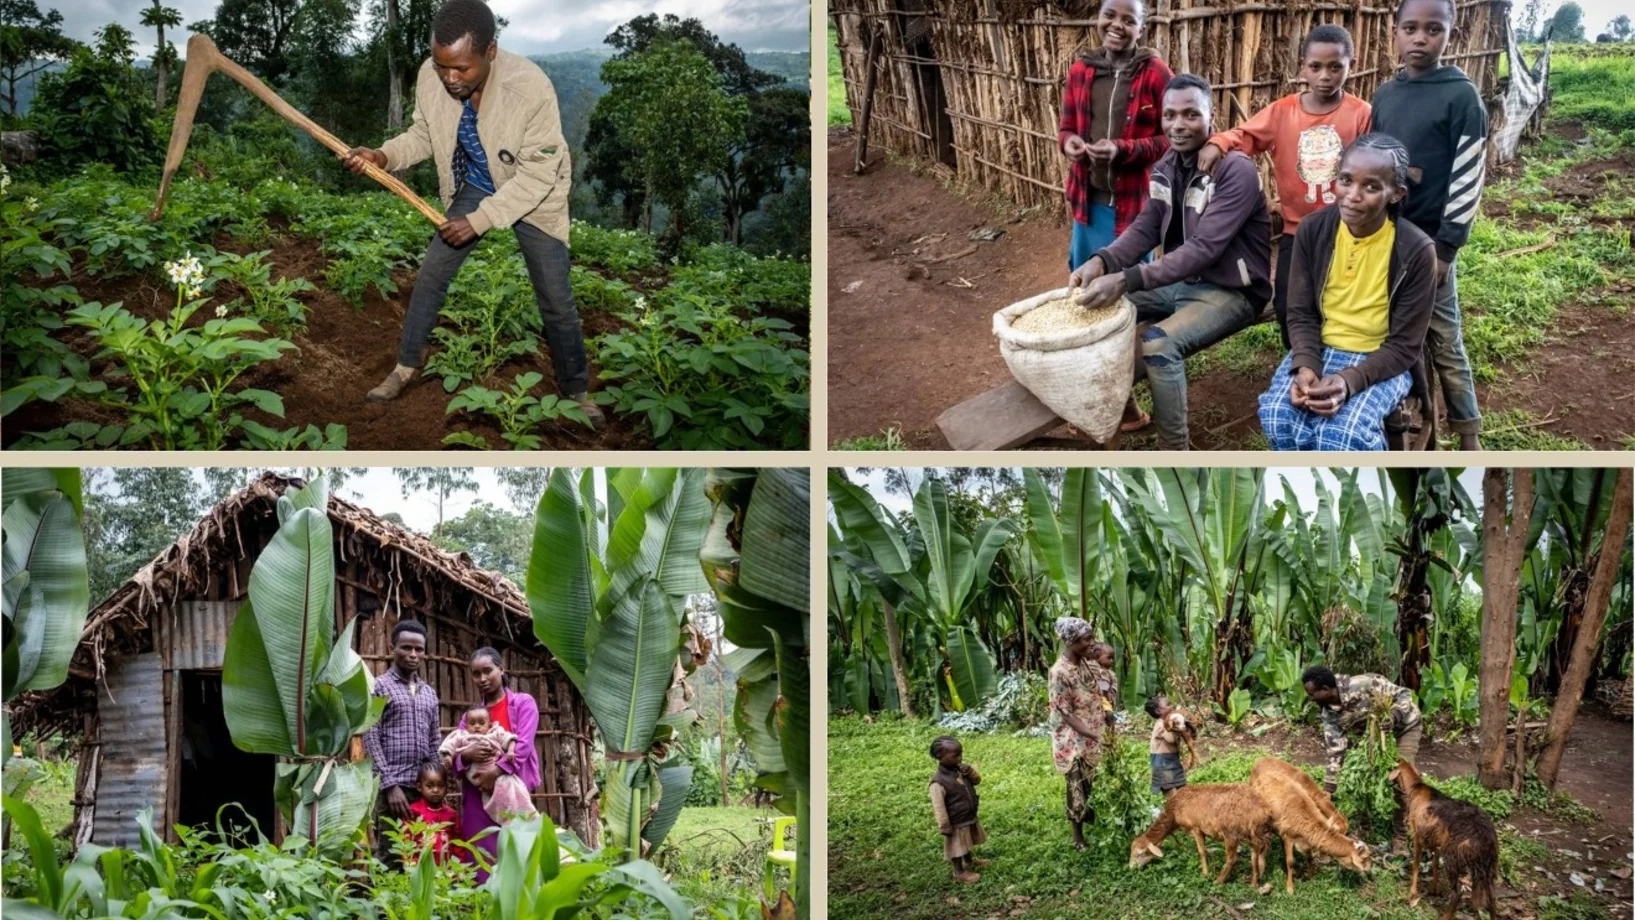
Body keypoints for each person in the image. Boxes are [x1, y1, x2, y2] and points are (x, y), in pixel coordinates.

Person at [341, 0, 600, 426]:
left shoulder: (530, 88)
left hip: (532, 192)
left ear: (491, 52)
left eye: (461, 68)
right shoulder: (431, 76)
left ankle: (576, 389)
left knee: (555, 298)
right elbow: (423, 134)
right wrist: (384, 156)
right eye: (442, 66)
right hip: (478, 182)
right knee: (431, 275)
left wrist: (479, 221)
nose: (450, 78)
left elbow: (538, 174)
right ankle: (406, 366)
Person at [1069, 74, 1272, 450]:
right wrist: (1102, 261)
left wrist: (1128, 278)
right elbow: (1147, 225)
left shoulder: (1235, 171)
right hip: (1183, 280)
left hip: (1232, 289)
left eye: (1191, 115)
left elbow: (1203, 248)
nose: (1178, 125)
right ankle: (1125, 413)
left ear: (1212, 117)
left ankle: (1174, 450)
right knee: (1093, 309)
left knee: (1159, 344)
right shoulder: (1166, 163)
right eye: (1170, 115)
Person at [1258, 134, 1437, 450]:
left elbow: (1405, 346)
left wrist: (1348, 381)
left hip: (1379, 358)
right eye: (1345, 180)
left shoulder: (1415, 251)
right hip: (1322, 347)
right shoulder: (1313, 230)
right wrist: (1306, 365)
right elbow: (1300, 313)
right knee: (1276, 416)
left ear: (1395, 194)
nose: (1352, 195)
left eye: (1371, 187)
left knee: (1341, 438)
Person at [1200, 24, 1373, 345]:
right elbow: (1245, 136)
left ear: (1353, 64)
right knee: (1287, 303)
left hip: (1348, 230)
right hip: (1298, 230)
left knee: (1340, 300)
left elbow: (1373, 169)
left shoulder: (1360, 114)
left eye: (1336, 67)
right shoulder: (1283, 112)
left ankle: (1337, 360)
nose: (1325, 76)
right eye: (1316, 67)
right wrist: (1218, 143)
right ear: (1302, 67)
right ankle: (1299, 362)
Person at [1369, 0, 1488, 449]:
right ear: (1394, 31)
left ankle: (1468, 430)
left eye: (1433, 30)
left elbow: (1468, 176)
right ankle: (1402, 420)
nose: (1421, 38)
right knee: (1390, 329)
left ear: (1450, 34)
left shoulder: (1461, 96)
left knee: (1442, 334)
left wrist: (1447, 247)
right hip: (1387, 236)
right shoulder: (1386, 95)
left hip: (1430, 244)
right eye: (1411, 28)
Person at [1301, 665, 1423, 850]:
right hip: (1371, 737)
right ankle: (1363, 827)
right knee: (1360, 778)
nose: (1310, 700)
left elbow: (1404, 694)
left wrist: (1393, 716)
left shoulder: (1364, 684)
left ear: (1325, 690)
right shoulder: (1329, 713)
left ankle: (1401, 838)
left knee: (1401, 779)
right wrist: (1328, 789)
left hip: (1404, 727)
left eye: (1312, 695)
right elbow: (1336, 750)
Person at [451, 647, 542, 879]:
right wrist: (466, 755)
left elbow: (523, 745)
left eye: (487, 671)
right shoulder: (470, 717)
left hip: (512, 794)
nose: (482, 679)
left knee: (520, 859)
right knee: (482, 863)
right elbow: (455, 755)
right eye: (476, 674)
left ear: (502, 670)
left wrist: (497, 770)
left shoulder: (523, 703)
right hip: (477, 798)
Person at [362, 619, 442, 869]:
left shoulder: (429, 693)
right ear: (392, 647)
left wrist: (436, 787)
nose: (413, 654)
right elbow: (371, 737)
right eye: (406, 647)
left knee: (424, 853)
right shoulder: (379, 687)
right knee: (391, 855)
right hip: (393, 791)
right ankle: (385, 910)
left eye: (419, 649)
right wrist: (389, 786)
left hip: (423, 791)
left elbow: (434, 741)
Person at [1047, 617, 1112, 851]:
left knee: (1094, 781)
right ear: (1072, 641)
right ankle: (1078, 837)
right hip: (1073, 739)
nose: (1092, 643)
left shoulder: (1087, 663)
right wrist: (1095, 736)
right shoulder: (1059, 672)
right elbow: (1066, 714)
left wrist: (1107, 717)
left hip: (1094, 730)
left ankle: (1095, 821)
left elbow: (1103, 687)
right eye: (1087, 639)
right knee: (1077, 786)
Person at [440, 704, 540, 824]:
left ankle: (530, 820)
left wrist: (510, 751)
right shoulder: (462, 736)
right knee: (495, 799)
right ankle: (512, 820)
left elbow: (510, 739)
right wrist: (450, 757)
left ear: (490, 724)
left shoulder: (495, 732)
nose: (476, 726)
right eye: (472, 723)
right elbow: (449, 746)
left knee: (514, 790)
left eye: (481, 723)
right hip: (476, 776)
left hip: (499, 773)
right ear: (466, 725)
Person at [928, 735, 988, 883]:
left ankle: (969, 861)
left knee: (966, 841)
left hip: (966, 815)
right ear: (940, 756)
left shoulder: (961, 771)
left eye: (961, 754)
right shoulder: (938, 783)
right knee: (957, 846)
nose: (960, 758)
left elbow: (977, 781)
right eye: (955, 755)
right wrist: (944, 825)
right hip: (955, 821)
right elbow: (939, 807)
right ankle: (958, 871)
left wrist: (971, 772)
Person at [404, 759, 459, 865]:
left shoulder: (451, 814)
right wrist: (411, 866)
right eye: (429, 786)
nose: (435, 790)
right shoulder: (413, 811)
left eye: (440, 785)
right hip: (421, 869)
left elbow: (459, 844)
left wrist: (460, 869)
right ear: (420, 787)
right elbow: (406, 840)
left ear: (446, 787)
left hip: (447, 872)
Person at [1144, 695, 1195, 798]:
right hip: (1163, 764)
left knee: (1181, 791)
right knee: (1171, 796)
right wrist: (1179, 729)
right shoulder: (1160, 725)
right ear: (1159, 711)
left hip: (1172, 762)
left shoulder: (1169, 723)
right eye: (1167, 705)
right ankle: (1171, 813)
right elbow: (1170, 739)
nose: (1172, 707)